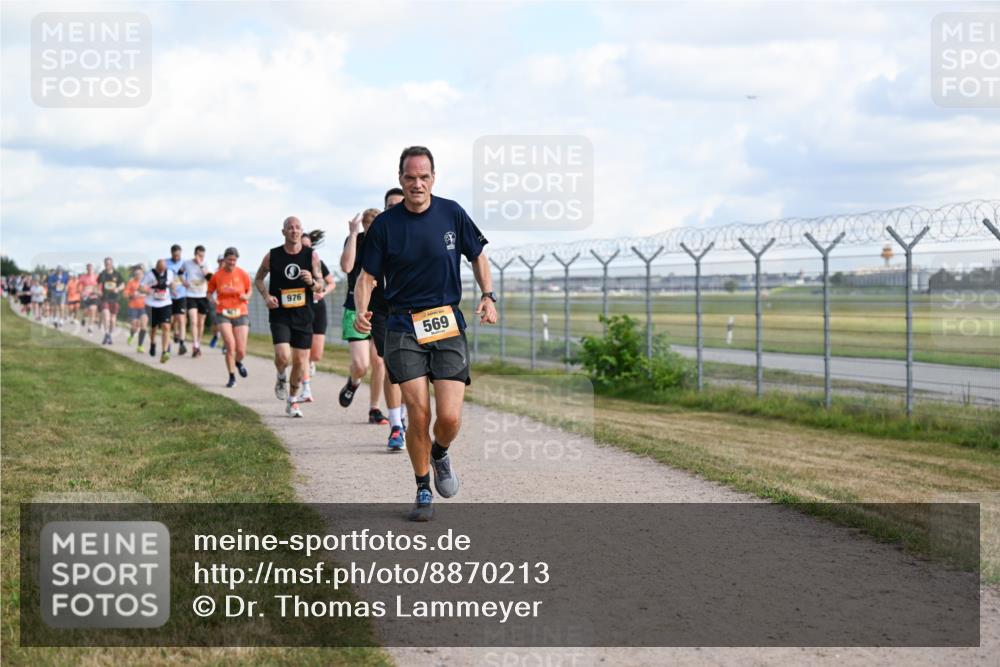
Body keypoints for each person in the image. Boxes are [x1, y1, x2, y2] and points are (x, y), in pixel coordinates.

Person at [354, 146, 498, 521]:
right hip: (402, 324)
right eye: (409, 177)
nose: (417, 184)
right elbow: (366, 277)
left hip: (446, 321)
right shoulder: (385, 225)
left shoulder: (452, 213)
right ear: (400, 179)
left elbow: (478, 255)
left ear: (433, 178)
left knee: (448, 418)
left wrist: (487, 295)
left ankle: (439, 454)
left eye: (423, 177)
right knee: (419, 412)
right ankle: (421, 488)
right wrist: (361, 310)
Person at [254, 216, 324, 418]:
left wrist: (312, 282)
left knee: (301, 363)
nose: (294, 231)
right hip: (280, 314)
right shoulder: (272, 256)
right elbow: (258, 278)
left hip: (304, 314)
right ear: (283, 232)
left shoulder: (312, 256)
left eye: (297, 228)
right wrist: (266, 296)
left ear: (302, 231)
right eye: (290, 228)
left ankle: (292, 401)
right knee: (283, 356)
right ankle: (280, 375)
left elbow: (320, 285)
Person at [338, 209, 389, 424]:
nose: (373, 229)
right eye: (369, 225)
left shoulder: (387, 242)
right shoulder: (356, 241)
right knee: (361, 364)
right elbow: (346, 266)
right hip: (355, 308)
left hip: (379, 310)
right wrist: (352, 233)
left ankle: (374, 409)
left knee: (379, 361)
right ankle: (353, 382)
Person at [372, 187, 408, 451]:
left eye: (399, 205)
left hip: (419, 311)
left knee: (417, 370)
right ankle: (395, 425)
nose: (394, 209)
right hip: (385, 312)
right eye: (389, 206)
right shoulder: (378, 235)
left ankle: (406, 415)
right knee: (392, 364)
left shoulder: (420, 231)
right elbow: (360, 274)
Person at [299, 230, 337, 402]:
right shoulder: (292, 266)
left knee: (316, 354)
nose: (306, 248)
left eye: (308, 245)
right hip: (300, 310)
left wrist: (323, 294)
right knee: (304, 352)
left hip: (318, 308)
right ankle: (306, 388)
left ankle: (310, 364)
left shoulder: (318, 263)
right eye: (303, 245)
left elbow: (331, 283)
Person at [208, 247, 252, 387]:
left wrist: (246, 296)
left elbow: (249, 289)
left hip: (241, 312)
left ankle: (238, 362)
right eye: (229, 260)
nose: (232, 262)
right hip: (223, 312)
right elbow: (209, 292)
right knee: (230, 345)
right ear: (225, 260)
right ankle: (232, 377)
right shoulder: (217, 275)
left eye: (234, 260)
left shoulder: (243, 274)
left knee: (241, 350)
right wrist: (212, 299)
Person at [140, 259, 174, 363]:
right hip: (151, 304)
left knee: (166, 326)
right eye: (159, 269)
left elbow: (172, 284)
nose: (161, 271)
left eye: (163, 269)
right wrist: (148, 290)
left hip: (165, 303)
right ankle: (153, 343)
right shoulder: (149, 274)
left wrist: (174, 289)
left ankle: (164, 352)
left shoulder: (170, 273)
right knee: (153, 327)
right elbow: (140, 287)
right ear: (156, 267)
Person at [182, 245, 211, 358]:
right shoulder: (187, 263)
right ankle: (195, 345)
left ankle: (198, 342)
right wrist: (183, 281)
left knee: (200, 322)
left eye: (202, 255)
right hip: (191, 295)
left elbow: (209, 278)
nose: (201, 257)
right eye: (199, 255)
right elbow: (180, 272)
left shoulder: (207, 263)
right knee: (193, 321)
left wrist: (201, 265)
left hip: (203, 295)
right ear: (195, 254)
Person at [166, 244, 188, 355]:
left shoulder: (184, 264)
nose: (176, 258)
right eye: (174, 256)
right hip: (168, 297)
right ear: (171, 254)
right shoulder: (165, 263)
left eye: (178, 255)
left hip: (181, 296)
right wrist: (170, 285)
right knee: (168, 321)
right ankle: (168, 344)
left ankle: (182, 344)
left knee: (181, 319)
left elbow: (188, 279)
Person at [98, 257, 123, 345]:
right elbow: (99, 285)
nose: (107, 265)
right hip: (105, 298)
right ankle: (106, 333)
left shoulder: (117, 274)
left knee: (112, 320)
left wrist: (117, 289)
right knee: (106, 316)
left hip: (114, 298)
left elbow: (122, 284)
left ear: (112, 264)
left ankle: (110, 335)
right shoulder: (102, 274)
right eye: (106, 264)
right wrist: (99, 291)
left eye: (108, 264)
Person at [124, 266, 149, 351]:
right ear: (134, 275)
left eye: (140, 274)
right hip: (133, 307)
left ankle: (140, 346)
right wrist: (131, 295)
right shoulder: (131, 283)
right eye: (136, 274)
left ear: (143, 275)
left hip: (143, 307)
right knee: (135, 326)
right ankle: (131, 335)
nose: (138, 275)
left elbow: (150, 292)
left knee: (144, 324)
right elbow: (125, 294)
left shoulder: (146, 284)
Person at [78, 263, 99, 333]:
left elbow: (100, 285)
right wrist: (81, 292)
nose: (90, 270)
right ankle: (83, 318)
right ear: (87, 269)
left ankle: (90, 326)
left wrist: (96, 291)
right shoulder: (83, 277)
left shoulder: (96, 276)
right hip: (85, 296)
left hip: (94, 296)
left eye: (91, 268)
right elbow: (79, 285)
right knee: (85, 311)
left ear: (92, 269)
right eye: (88, 268)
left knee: (93, 309)